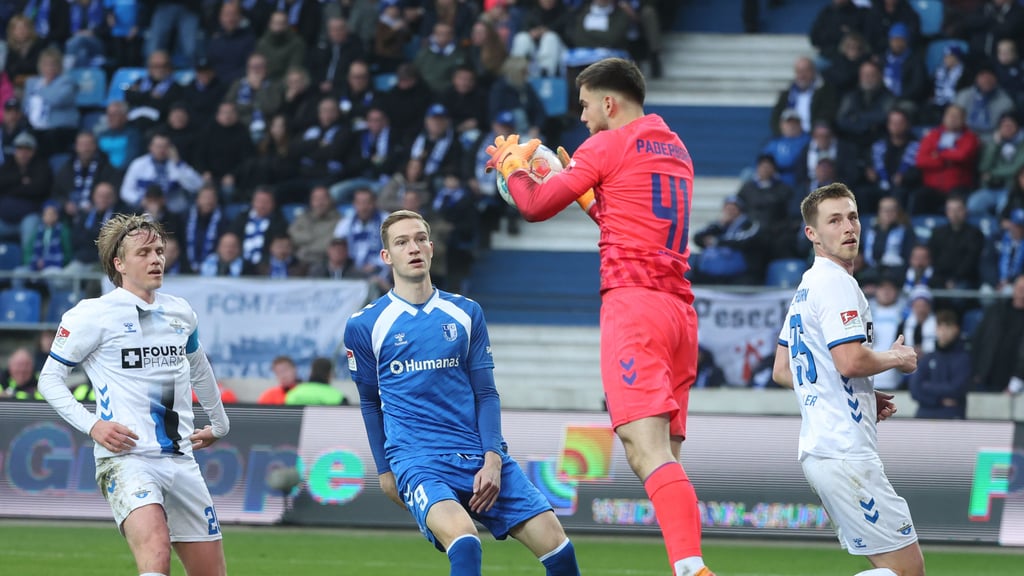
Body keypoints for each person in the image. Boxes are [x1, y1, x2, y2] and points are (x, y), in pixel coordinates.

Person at [485, 57, 714, 576]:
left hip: (635, 308)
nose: (583, 118)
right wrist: (591, 197)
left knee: (646, 450)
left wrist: (512, 167)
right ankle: (687, 562)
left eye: (586, 106)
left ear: (609, 102)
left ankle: (692, 568)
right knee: (662, 454)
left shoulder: (607, 145)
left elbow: (535, 205)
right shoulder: (675, 147)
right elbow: (632, 219)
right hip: (679, 312)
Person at [344, 210, 581, 576]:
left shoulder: (465, 312)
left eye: (420, 239)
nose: (413, 248)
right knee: (465, 541)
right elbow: (369, 402)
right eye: (402, 242)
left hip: (477, 454)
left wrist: (493, 459)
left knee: (560, 551)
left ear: (431, 247)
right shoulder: (365, 324)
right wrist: (385, 471)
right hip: (418, 460)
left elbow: (486, 393)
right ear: (386, 256)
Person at [37, 213, 230, 576]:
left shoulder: (180, 312)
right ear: (119, 264)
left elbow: (199, 368)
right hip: (128, 459)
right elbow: (49, 380)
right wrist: (93, 426)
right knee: (156, 552)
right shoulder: (92, 315)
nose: (156, 259)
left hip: (181, 460)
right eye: (144, 253)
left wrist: (220, 425)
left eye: (159, 251)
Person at [771, 182, 923, 576]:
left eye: (852, 217)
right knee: (907, 572)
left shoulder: (806, 287)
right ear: (812, 233)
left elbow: (784, 370)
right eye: (834, 220)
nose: (848, 227)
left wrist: (861, 395)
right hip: (845, 451)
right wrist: (898, 357)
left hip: (823, 452)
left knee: (896, 568)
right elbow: (851, 361)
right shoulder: (836, 283)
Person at [909, 309, 970, 419]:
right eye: (940, 326)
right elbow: (915, 390)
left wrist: (927, 386)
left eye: (948, 326)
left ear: (956, 329)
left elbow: (957, 389)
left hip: (952, 417)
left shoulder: (964, 359)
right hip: (924, 416)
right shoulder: (928, 358)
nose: (943, 331)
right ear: (936, 329)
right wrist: (939, 401)